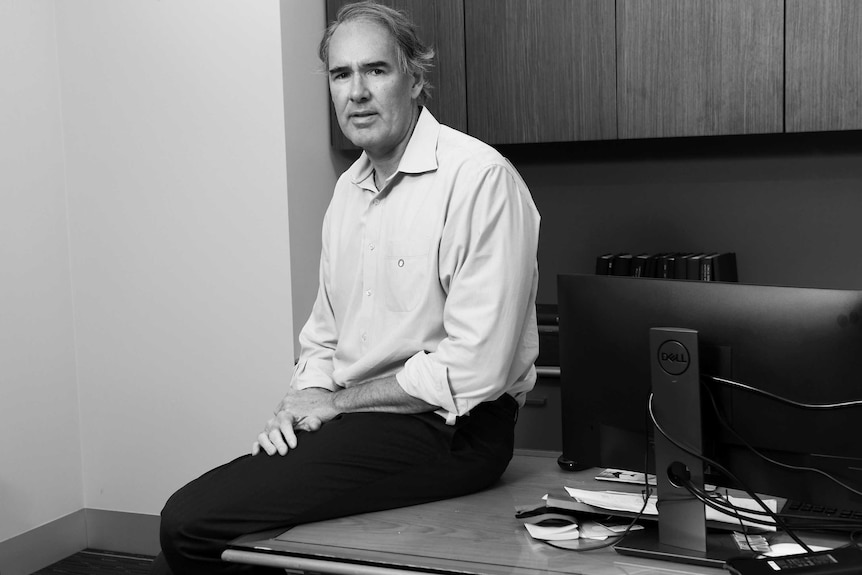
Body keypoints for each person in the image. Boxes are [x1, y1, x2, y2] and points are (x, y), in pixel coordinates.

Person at [152, 2, 540, 573]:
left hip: (454, 429)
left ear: (414, 77)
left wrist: (334, 403)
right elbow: (324, 335)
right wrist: (299, 402)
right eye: (341, 74)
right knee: (215, 523)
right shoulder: (347, 193)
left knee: (187, 523)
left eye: (375, 70)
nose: (356, 92)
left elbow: (474, 369)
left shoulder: (480, 180)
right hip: (363, 420)